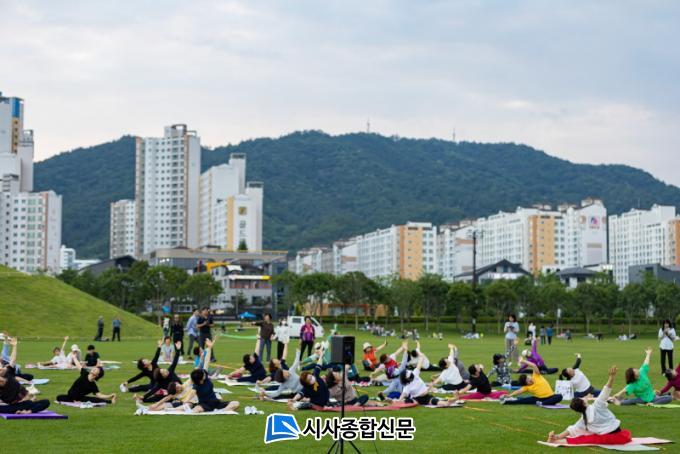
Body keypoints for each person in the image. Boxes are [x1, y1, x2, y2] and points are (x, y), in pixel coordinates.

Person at [547, 366, 632, 446]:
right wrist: (611, 377)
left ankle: (557, 439)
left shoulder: (584, 418)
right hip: (616, 436)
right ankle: (556, 440)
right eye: (583, 399)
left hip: (608, 434)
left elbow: (572, 429)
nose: (584, 398)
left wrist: (558, 436)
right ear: (584, 403)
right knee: (587, 437)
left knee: (585, 438)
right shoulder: (597, 405)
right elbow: (606, 390)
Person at [189, 338, 239, 414]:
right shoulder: (196, 385)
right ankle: (220, 411)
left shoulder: (204, 375)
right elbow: (191, 393)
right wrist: (185, 401)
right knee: (196, 410)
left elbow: (207, 361)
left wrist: (209, 348)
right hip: (204, 405)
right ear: (200, 379)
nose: (204, 374)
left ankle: (221, 411)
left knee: (236, 403)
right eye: (203, 375)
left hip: (216, 403)